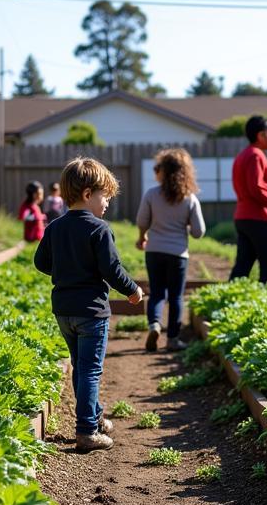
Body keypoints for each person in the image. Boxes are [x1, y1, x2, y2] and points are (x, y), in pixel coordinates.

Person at [34, 157, 143, 452]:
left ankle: (94, 418)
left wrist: (66, 272)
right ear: (86, 194)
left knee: (80, 367)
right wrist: (132, 290)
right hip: (91, 311)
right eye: (104, 196)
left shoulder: (55, 228)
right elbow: (112, 269)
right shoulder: (99, 229)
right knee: (91, 369)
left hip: (64, 311)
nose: (106, 202)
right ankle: (86, 432)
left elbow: (41, 262)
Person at [136, 147, 206, 352]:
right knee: (176, 296)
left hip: (154, 251)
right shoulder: (189, 198)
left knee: (157, 293)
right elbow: (199, 232)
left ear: (163, 171)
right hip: (178, 254)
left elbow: (142, 221)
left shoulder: (151, 194)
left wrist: (142, 237)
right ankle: (173, 339)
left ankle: (154, 325)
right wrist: (185, 225)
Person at [229, 114, 267, 283]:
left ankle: (227, 302)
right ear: (260, 135)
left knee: (242, 267)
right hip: (261, 218)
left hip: (244, 217)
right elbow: (256, 187)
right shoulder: (255, 155)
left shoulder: (243, 155)